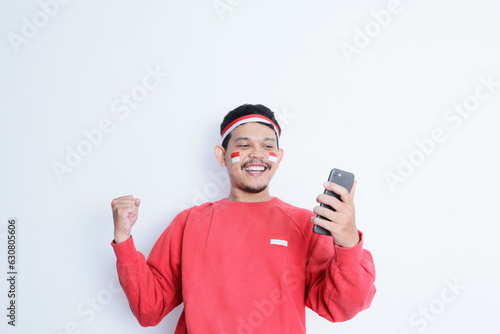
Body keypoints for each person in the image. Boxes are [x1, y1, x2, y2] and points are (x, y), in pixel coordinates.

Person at [111, 104, 376, 334]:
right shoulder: (189, 222)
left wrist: (349, 243)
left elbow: (341, 308)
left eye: (267, 146)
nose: (257, 154)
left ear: (279, 157)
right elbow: (149, 309)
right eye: (245, 144)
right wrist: (124, 240)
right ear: (222, 155)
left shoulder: (305, 224)